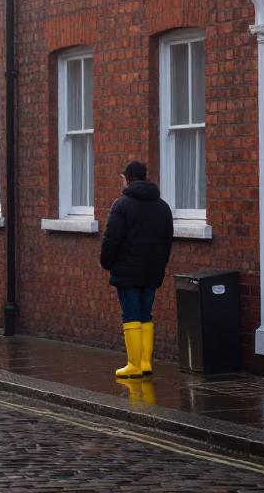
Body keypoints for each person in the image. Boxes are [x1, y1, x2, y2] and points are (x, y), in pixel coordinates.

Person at [99, 161, 173, 378]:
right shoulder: (163, 206)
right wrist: (161, 264)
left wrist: (107, 263)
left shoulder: (121, 205)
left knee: (131, 314)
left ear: (128, 179)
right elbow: (168, 240)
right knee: (145, 314)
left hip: (127, 272)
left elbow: (111, 240)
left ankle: (133, 365)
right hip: (152, 271)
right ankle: (145, 362)